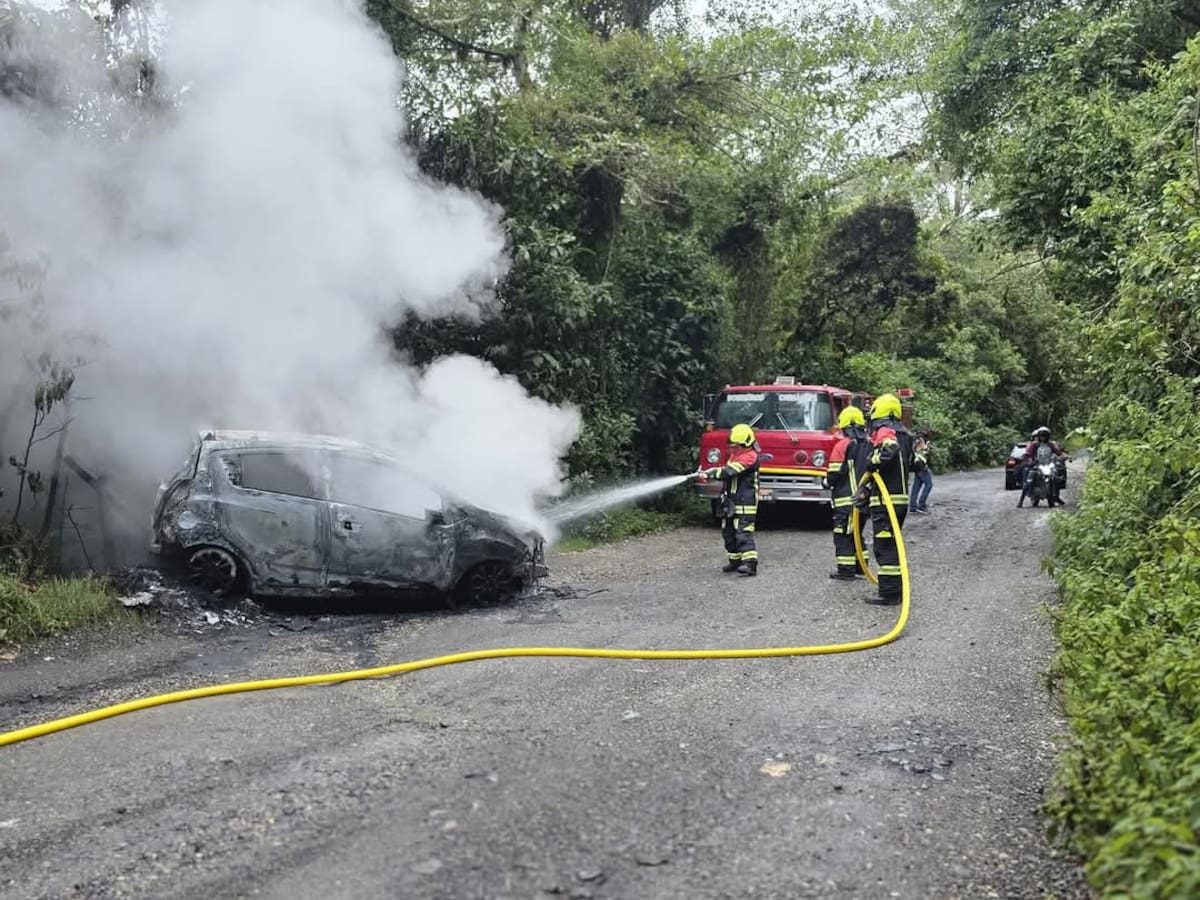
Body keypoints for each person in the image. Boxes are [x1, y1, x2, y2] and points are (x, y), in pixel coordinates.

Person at [853, 393, 914, 605]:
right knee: (891, 544)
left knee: (884, 546)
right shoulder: (906, 434)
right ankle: (894, 588)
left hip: (885, 502)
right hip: (900, 501)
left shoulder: (885, 431)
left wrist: (872, 462)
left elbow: (890, 448)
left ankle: (888, 593)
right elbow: (915, 462)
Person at [699, 423, 761, 576]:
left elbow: (730, 471)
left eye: (736, 446)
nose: (733, 448)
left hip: (745, 503)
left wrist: (711, 473)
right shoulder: (737, 455)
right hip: (732, 501)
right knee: (728, 533)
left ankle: (750, 564)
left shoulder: (750, 456)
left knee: (743, 533)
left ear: (745, 443)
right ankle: (735, 561)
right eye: (732, 446)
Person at [825, 405, 872, 580]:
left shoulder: (842, 445)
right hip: (864, 499)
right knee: (857, 533)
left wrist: (826, 481)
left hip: (845, 501)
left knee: (843, 534)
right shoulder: (870, 444)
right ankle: (861, 566)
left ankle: (846, 570)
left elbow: (834, 474)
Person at [1018, 426, 1067, 508]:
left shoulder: (1051, 445)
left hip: (1049, 464)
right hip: (1037, 465)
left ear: (1048, 436)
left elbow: (1058, 452)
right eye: (1041, 436)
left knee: (1056, 478)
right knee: (1029, 481)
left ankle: (1056, 497)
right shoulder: (1035, 445)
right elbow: (1028, 454)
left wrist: (1063, 456)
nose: (1043, 437)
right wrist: (1029, 460)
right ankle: (1021, 501)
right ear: (1039, 436)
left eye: (1045, 435)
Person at [911, 427, 933, 512]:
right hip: (921, 465)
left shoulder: (918, 438)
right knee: (928, 484)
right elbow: (922, 449)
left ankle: (913, 506)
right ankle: (921, 504)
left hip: (917, 464)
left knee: (917, 486)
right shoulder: (921, 439)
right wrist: (926, 447)